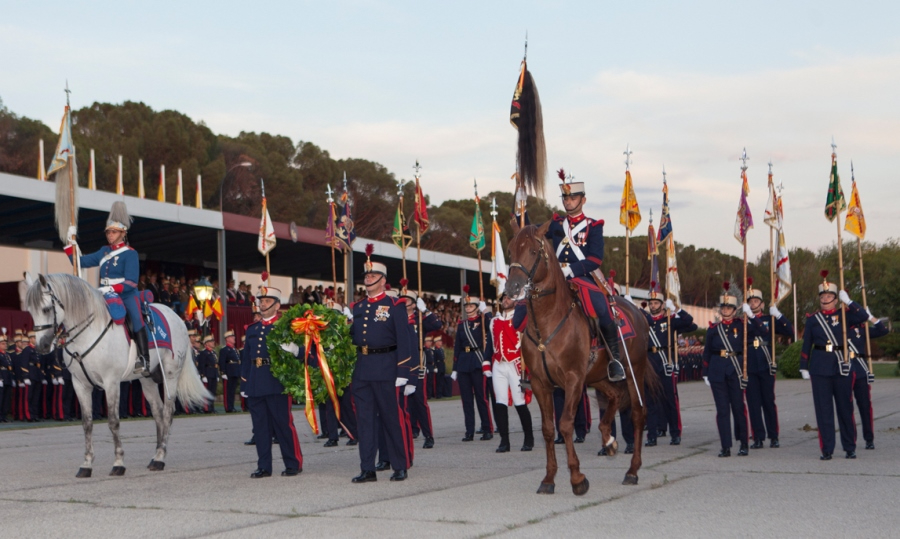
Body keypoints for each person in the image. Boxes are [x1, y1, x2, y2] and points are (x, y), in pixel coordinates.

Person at [518, 171, 626, 382]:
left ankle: (615, 360)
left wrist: (570, 270)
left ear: (583, 200)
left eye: (573, 198)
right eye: (565, 198)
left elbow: (595, 259)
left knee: (601, 308)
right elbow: (530, 231)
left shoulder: (594, 226)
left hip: (582, 277)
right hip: (556, 281)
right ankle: (533, 364)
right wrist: (521, 206)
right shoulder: (556, 224)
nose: (569, 202)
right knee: (528, 307)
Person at [343, 247, 412, 483]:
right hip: (363, 369)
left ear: (383, 280)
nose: (368, 279)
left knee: (391, 419)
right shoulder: (358, 308)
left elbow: (404, 339)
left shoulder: (395, 305)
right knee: (365, 421)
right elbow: (353, 337)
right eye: (366, 276)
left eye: (372, 276)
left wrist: (404, 370)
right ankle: (367, 469)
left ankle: (399, 465)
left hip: (387, 367)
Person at [64, 202, 150, 377]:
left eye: (114, 232)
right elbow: (79, 262)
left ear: (123, 233)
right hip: (103, 294)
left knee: (135, 317)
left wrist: (111, 287)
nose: (110, 235)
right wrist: (70, 243)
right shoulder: (104, 251)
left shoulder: (130, 253)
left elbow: (131, 283)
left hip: (126, 294)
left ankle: (144, 358)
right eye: (108, 232)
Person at [800, 271, 869, 460]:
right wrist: (803, 365)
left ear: (836, 299)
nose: (825, 299)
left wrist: (850, 302)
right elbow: (807, 343)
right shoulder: (813, 319)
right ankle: (827, 449)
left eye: (830, 296)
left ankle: (850, 446)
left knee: (845, 409)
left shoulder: (845, 316)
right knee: (824, 410)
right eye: (823, 296)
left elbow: (863, 316)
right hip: (820, 366)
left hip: (842, 365)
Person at [240, 284, 303, 478]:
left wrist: (294, 349)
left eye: (267, 301)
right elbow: (246, 359)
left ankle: (293, 463)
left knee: (283, 425)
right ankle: (264, 466)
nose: (263, 304)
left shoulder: (286, 327)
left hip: (277, 383)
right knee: (260, 428)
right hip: (256, 382)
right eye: (261, 301)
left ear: (277, 305)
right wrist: (244, 383)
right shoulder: (252, 329)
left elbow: (302, 354)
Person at [702, 284, 759, 457]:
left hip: (735, 369)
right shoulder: (713, 329)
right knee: (722, 410)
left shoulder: (742, 325)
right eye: (723, 307)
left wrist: (751, 315)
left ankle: (743, 444)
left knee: (738, 407)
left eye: (729, 307)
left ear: (735, 310)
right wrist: (705, 373)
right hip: (717, 370)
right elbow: (707, 352)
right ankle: (725, 446)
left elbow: (762, 331)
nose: (726, 310)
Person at [643, 286, 695, 447]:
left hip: (665, 360)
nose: (653, 306)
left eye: (656, 303)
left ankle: (675, 433)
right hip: (649, 360)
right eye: (651, 303)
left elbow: (689, 323)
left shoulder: (670, 321)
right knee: (650, 401)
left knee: (670, 400)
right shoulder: (644, 321)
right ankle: (652, 435)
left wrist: (676, 310)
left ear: (662, 304)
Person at [745, 284, 793, 449]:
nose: (753, 304)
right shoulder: (743, 321)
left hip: (766, 363)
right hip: (750, 364)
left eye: (756, 301)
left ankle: (773, 435)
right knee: (753, 402)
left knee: (768, 401)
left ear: (762, 304)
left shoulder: (768, 319)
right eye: (750, 301)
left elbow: (790, 331)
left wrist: (779, 316)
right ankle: (758, 437)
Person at [490, 295, 534, 452]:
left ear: (516, 301)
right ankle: (504, 441)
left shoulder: (521, 319)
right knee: (500, 402)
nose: (505, 301)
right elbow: (490, 344)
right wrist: (487, 364)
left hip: (515, 364)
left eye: (508, 298)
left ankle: (529, 439)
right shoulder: (494, 321)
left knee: (519, 402)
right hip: (498, 364)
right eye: (503, 299)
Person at [401, 286, 441, 449]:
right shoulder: (397, 318)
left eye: (407, 300)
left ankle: (428, 435)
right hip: (401, 364)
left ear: (413, 304)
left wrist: (425, 311)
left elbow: (437, 324)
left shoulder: (419, 320)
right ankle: (409, 430)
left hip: (418, 363)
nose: (403, 303)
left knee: (419, 401)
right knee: (403, 402)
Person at [452, 286, 494, 442]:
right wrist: (455, 368)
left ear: (477, 307)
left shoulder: (483, 321)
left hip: (478, 360)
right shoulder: (461, 325)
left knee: (482, 398)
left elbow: (494, 326)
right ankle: (469, 430)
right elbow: (457, 347)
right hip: (464, 362)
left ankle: (487, 428)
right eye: (467, 306)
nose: (468, 308)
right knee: (466, 400)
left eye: (471, 306)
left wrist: (485, 312)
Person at [847, 306, 888, 450]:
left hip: (860, 370)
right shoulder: (837, 327)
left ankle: (869, 438)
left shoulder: (861, 329)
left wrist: (870, 317)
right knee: (846, 408)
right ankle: (850, 439)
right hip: (843, 370)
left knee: (865, 406)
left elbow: (883, 330)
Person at [219, 330, 241, 413]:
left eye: (234, 336)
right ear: (227, 339)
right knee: (228, 391)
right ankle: (228, 407)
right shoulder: (224, 349)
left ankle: (232, 406)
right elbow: (222, 361)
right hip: (228, 372)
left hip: (235, 371)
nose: (234, 338)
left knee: (232, 391)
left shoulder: (235, 350)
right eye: (232, 337)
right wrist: (223, 372)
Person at [198, 335, 219, 414]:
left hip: (213, 373)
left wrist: (217, 374)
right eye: (211, 341)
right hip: (207, 373)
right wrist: (203, 375)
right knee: (207, 391)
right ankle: (206, 408)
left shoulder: (213, 352)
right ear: (206, 343)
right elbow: (202, 364)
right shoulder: (204, 353)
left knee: (213, 392)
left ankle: (212, 407)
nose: (213, 343)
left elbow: (216, 364)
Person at [0, 332, 12, 422]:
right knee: (1, 398)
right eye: (3, 344)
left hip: (7, 377)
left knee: (6, 399)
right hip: (2, 377)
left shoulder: (7, 355)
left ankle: (4, 415)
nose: (5, 345)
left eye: (6, 343)